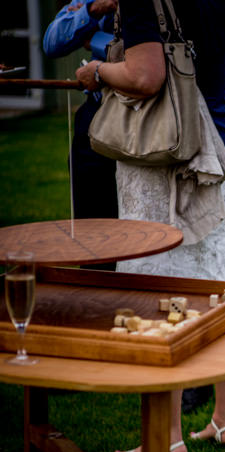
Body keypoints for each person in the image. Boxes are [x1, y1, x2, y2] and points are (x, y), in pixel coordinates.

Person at [76, 0, 225, 452]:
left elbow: (145, 75)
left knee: (156, 292)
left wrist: (97, 70)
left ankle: (166, 438)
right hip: (220, 138)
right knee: (218, 286)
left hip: (165, 147)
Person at [42, 0, 118, 271]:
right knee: (91, 229)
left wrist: (95, 40)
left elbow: (144, 58)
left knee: (133, 229)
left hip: (141, 122)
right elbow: (52, 42)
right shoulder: (92, 1)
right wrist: (93, 10)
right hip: (95, 117)